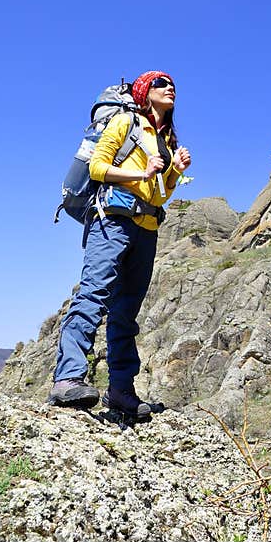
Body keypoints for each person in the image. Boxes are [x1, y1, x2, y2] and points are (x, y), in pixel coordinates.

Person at [47, 70, 191, 419]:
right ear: (144, 91)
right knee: (93, 295)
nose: (169, 88)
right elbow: (97, 168)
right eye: (161, 84)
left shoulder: (166, 140)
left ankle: (121, 391)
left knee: (126, 313)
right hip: (112, 219)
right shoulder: (126, 122)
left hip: (146, 227)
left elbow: (161, 194)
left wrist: (173, 171)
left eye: (172, 85)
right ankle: (67, 378)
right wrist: (142, 173)